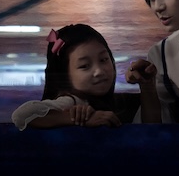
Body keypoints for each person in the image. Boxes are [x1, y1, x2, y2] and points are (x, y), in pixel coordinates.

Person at [13, 23, 141, 129]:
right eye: (84, 66)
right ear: (65, 74)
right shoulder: (73, 101)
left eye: (103, 60)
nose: (99, 71)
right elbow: (21, 115)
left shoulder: (111, 100)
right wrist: (75, 119)